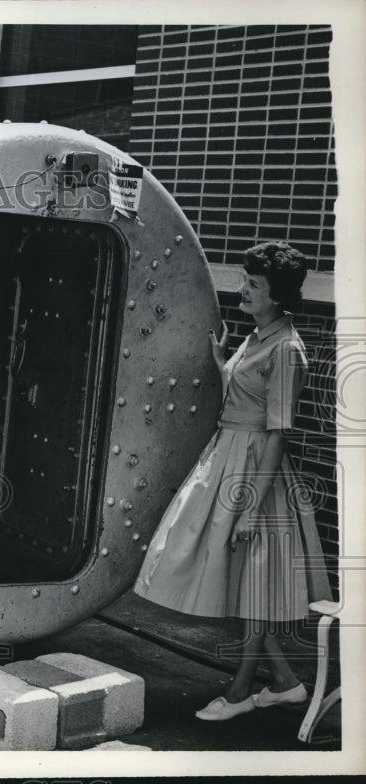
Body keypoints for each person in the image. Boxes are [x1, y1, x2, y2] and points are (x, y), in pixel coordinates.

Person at [134, 241, 332, 721]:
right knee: (243, 584)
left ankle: (242, 691)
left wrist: (250, 504)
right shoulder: (259, 334)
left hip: (253, 474)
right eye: (244, 279)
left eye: (255, 285)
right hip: (226, 457)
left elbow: (278, 433)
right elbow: (243, 400)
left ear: (279, 296)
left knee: (255, 588)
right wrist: (225, 363)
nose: (243, 290)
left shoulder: (286, 350)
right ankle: (284, 683)